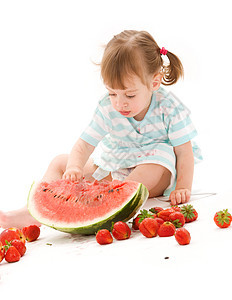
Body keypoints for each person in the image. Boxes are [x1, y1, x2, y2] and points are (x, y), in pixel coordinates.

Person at [0, 30, 202, 229]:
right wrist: (74, 168)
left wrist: (183, 187)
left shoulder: (169, 107)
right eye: (112, 93)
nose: (119, 103)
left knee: (158, 158)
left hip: (154, 175)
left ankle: (114, 204)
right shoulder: (107, 108)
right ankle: (33, 212)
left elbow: (184, 152)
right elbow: (84, 144)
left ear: (154, 82)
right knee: (60, 161)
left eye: (129, 95)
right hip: (117, 167)